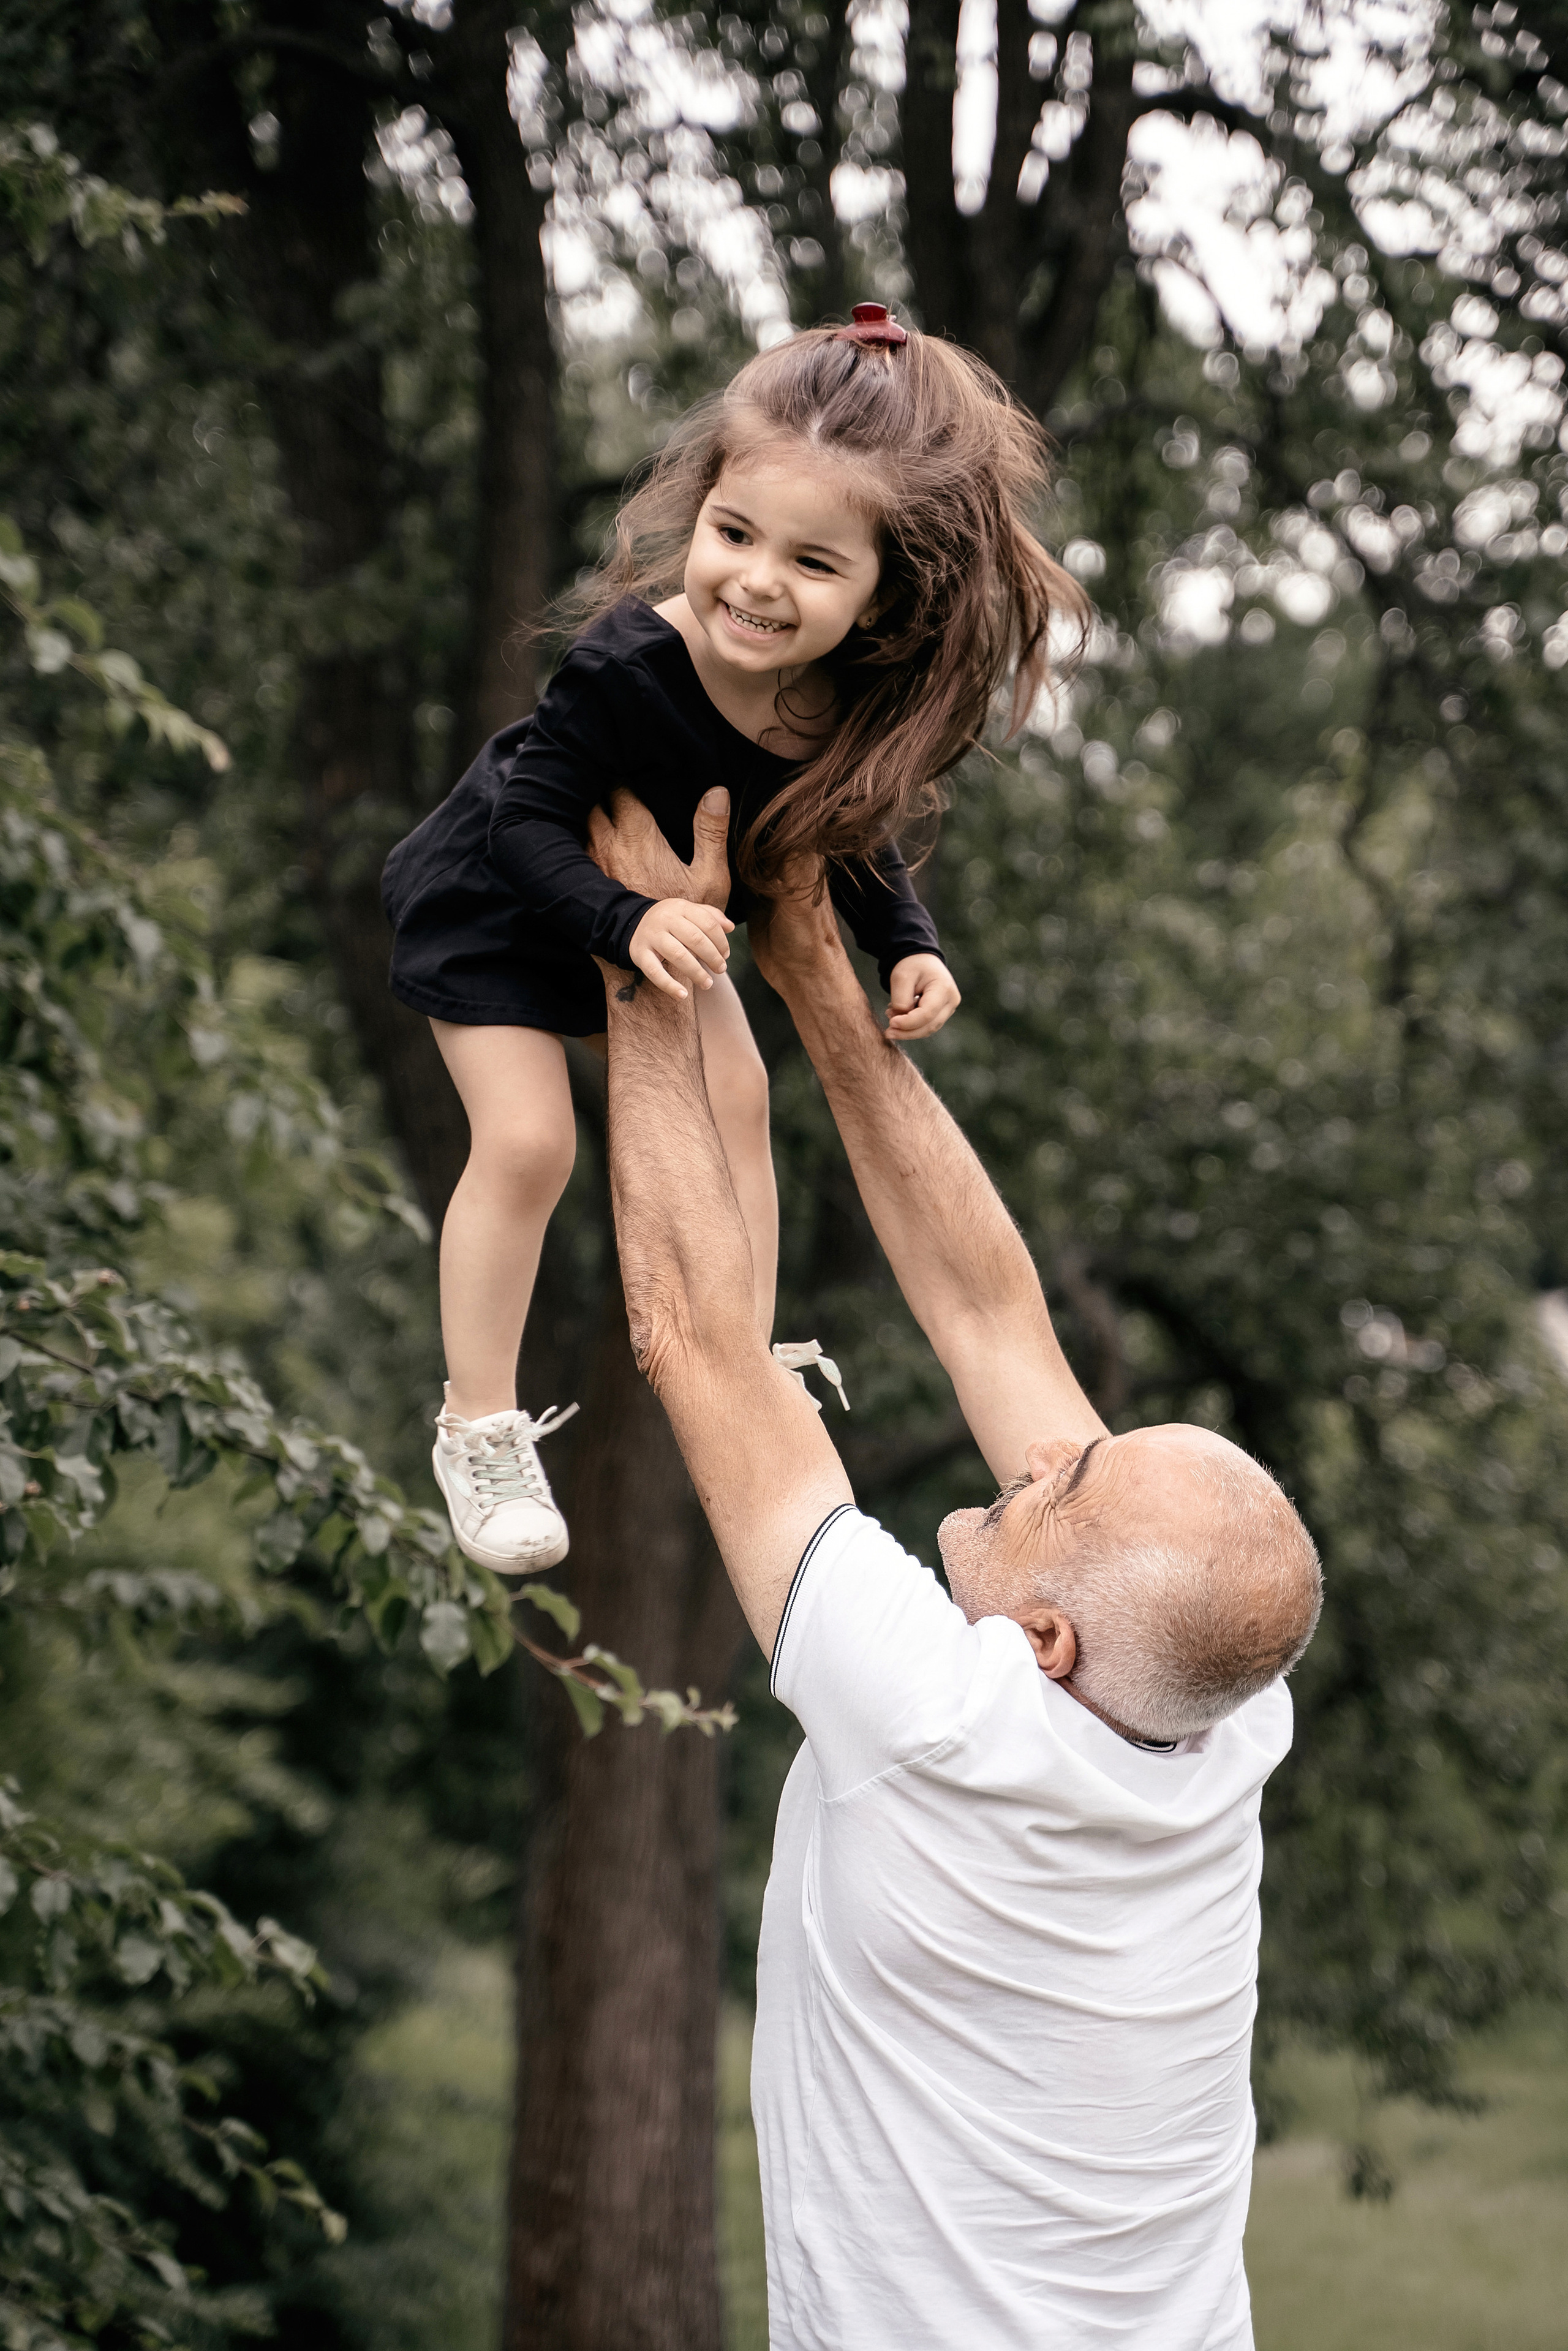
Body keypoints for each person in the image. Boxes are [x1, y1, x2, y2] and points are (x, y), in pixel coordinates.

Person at [584, 788, 1324, 2351]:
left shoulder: (936, 1714)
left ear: (1045, 1639)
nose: (1038, 1452)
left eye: (1060, 1480)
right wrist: (816, 981)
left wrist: (632, 954)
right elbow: (993, 1319)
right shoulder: (1208, 1702)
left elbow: (693, 1340)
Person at [380, 304, 1087, 1573]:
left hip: (659, 923)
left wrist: (905, 942)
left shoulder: (833, 703)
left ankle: (749, 1363)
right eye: (734, 533)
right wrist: (626, 917)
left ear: (883, 593)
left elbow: (849, 831)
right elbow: (525, 827)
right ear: (697, 511)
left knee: (743, 1095)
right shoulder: (624, 667)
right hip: (503, 899)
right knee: (531, 1142)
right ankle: (476, 1419)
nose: (756, 581)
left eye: (813, 565)